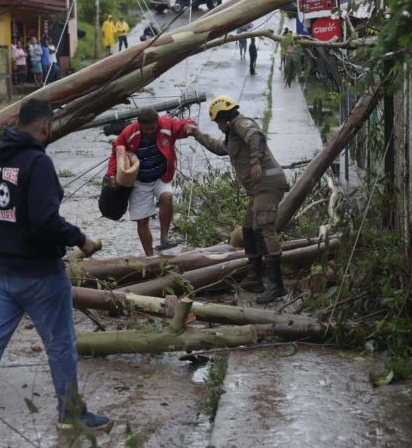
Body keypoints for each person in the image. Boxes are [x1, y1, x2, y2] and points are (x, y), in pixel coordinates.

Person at [0, 99, 110, 433]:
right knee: (60, 343)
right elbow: (44, 219)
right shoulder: (38, 163)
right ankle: (70, 414)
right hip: (40, 274)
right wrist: (80, 238)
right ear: (45, 126)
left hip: (0, 269)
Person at [188, 96, 290, 304]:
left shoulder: (243, 124)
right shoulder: (232, 135)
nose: (217, 126)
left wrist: (255, 163)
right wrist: (197, 134)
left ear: (224, 118)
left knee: (264, 229)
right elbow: (219, 148)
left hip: (267, 186)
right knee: (248, 229)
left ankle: (277, 286)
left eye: (217, 122)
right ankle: (255, 278)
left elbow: (256, 137)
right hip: (258, 190)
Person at [106, 108, 197, 256]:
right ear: (139, 125)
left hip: (162, 176)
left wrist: (190, 125)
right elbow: (116, 152)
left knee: (167, 198)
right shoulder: (129, 133)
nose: (151, 131)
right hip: (138, 181)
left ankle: (164, 238)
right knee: (142, 221)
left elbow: (180, 126)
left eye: (154, 127)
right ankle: (150, 257)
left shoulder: (166, 125)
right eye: (147, 129)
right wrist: (111, 175)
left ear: (157, 122)